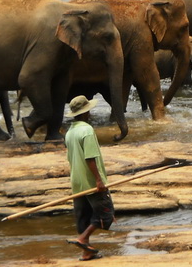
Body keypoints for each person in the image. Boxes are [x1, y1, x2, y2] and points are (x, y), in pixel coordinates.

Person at [65, 96, 114, 262]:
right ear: (86, 113)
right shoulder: (86, 130)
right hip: (90, 180)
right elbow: (90, 157)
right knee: (105, 214)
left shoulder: (70, 132)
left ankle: (87, 252)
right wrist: (99, 180)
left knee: (83, 217)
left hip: (76, 181)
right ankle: (83, 238)